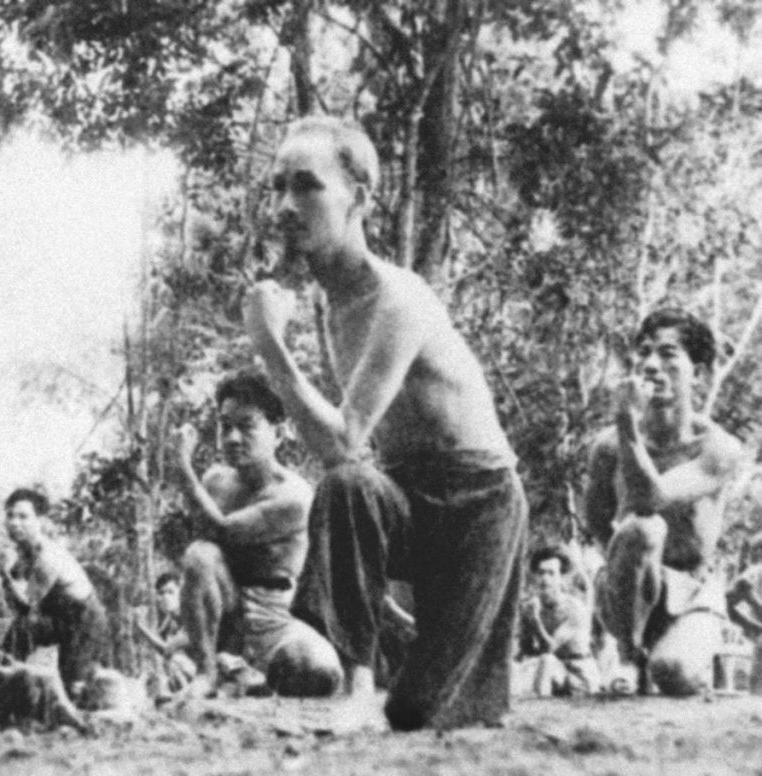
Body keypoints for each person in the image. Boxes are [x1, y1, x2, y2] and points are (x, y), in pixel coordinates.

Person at [243, 116, 527, 730]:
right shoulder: (331, 306)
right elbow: (353, 465)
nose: (286, 205)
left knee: (422, 713)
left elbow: (344, 439)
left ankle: (423, 668)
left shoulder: (400, 296)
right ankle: (359, 689)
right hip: (406, 504)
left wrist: (270, 347)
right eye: (278, 187)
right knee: (348, 485)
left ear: (360, 199)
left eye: (307, 185)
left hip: (479, 509)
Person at [585, 309, 744, 696]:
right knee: (641, 528)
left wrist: (626, 420)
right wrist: (626, 570)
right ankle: (627, 653)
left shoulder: (718, 448)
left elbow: (650, 497)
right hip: (629, 590)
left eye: (668, 354)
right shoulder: (607, 447)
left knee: (672, 671)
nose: (651, 365)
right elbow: (597, 519)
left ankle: (672, 657)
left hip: (693, 590)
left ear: (699, 374)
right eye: (644, 353)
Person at [173, 370, 343, 697]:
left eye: (247, 426)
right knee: (199, 554)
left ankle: (248, 678)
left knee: (318, 671)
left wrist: (182, 468)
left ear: (279, 432)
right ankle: (209, 672)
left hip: (275, 617)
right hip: (227, 614)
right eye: (225, 426)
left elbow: (224, 530)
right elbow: (203, 558)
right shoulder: (215, 481)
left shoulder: (295, 497)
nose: (233, 438)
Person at [0, 487, 109, 699]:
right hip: (59, 618)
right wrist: (6, 577)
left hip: (84, 620)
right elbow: (16, 608)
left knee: (74, 688)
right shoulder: (22, 554)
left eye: (23, 517)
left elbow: (26, 605)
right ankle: (0, 697)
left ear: (40, 521)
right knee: (14, 638)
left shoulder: (48, 556)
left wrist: (5, 574)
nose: (14, 523)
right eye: (10, 516)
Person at [515, 545, 600, 697]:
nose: (545, 579)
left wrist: (535, 621)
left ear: (561, 578)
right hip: (555, 670)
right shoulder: (532, 606)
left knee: (546, 661)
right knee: (518, 667)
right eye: (541, 573)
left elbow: (549, 647)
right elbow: (526, 650)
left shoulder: (575, 609)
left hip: (579, 674)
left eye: (551, 573)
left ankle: (540, 706)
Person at [134, 572, 196, 694]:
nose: (165, 597)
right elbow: (162, 651)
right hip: (188, 673)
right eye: (161, 593)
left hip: (208, 671)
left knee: (176, 661)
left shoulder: (190, 615)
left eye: (170, 592)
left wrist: (141, 627)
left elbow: (167, 650)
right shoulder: (170, 621)